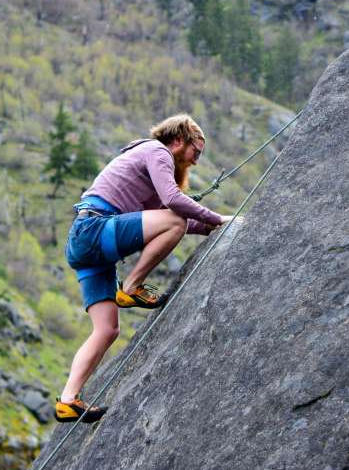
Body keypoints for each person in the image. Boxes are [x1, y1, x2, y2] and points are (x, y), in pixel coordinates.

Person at [55, 114, 232, 423]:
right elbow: (173, 204)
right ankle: (132, 286)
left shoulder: (147, 165)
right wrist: (216, 218)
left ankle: (68, 399)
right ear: (179, 141)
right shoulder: (157, 151)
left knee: (107, 329)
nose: (197, 161)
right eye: (196, 152)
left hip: (86, 245)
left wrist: (211, 226)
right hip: (95, 230)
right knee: (174, 219)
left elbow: (166, 218)